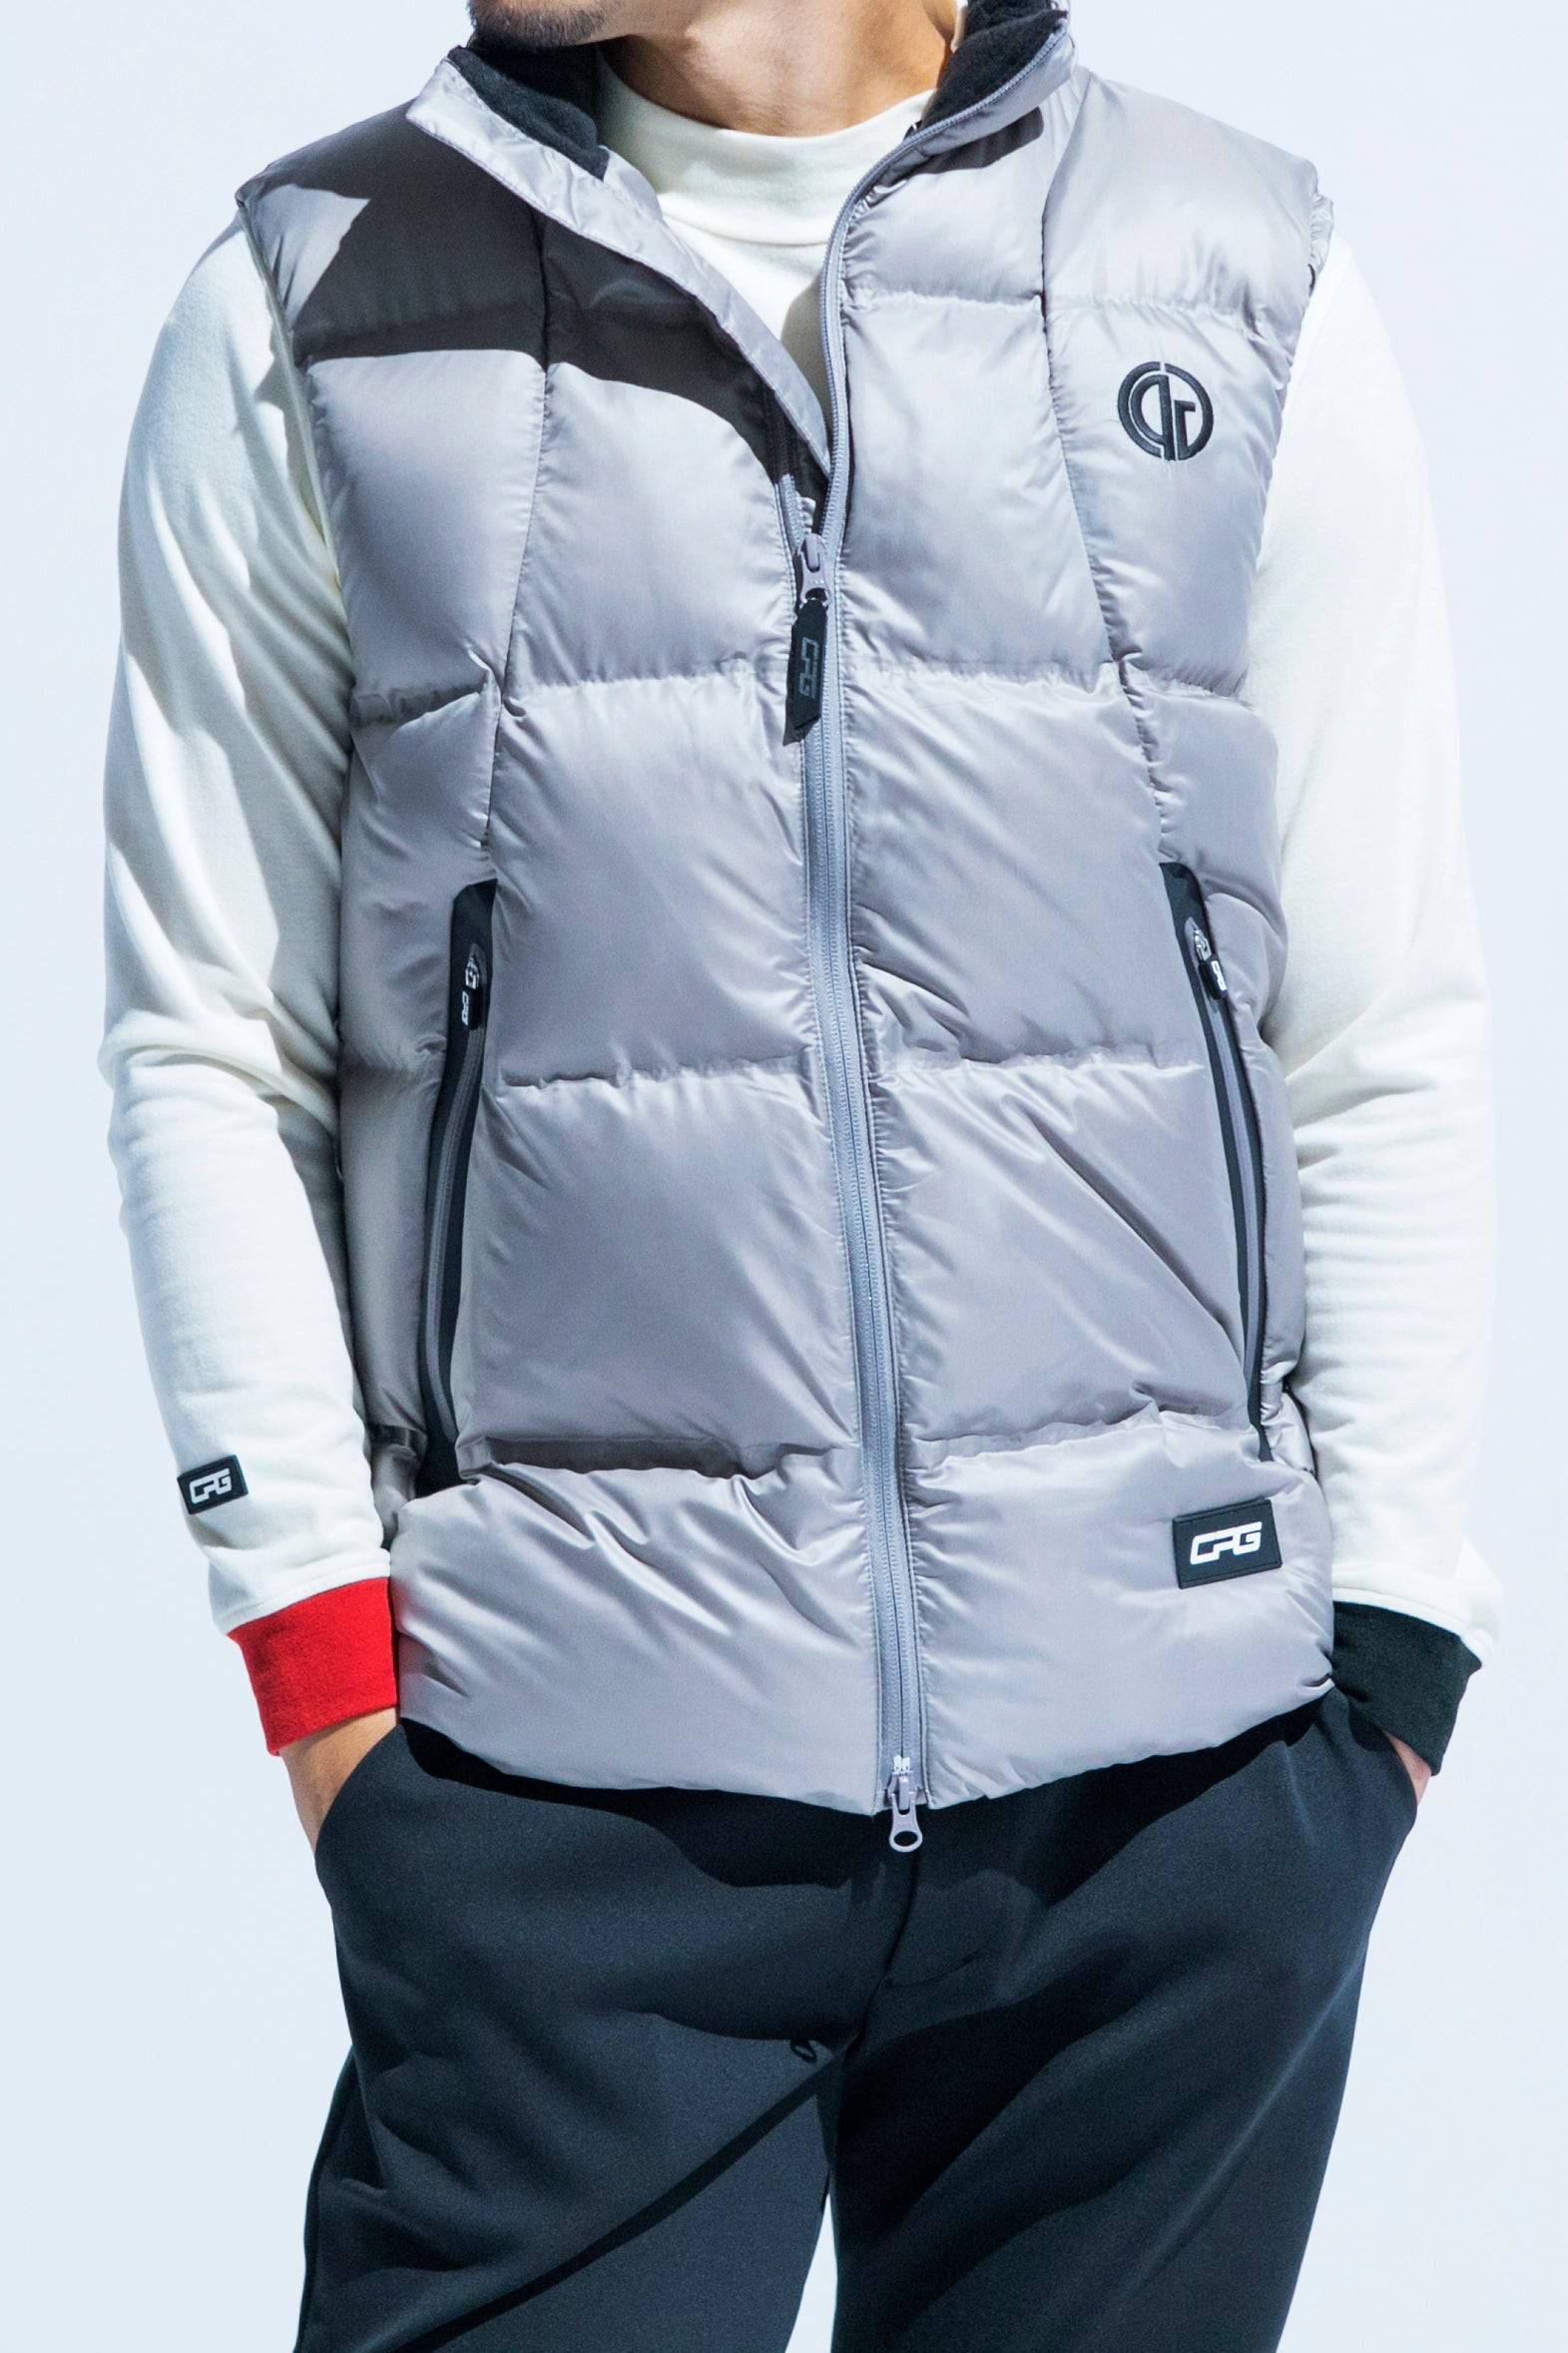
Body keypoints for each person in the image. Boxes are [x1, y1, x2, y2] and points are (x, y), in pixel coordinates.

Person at [101, 3, 1497, 2346]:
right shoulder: (315, 301)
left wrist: (1388, 1668)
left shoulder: (1232, 269)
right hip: (560, 1805)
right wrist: (336, 1698)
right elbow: (207, 1045)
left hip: (1171, 1807)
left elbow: (1375, 1029)